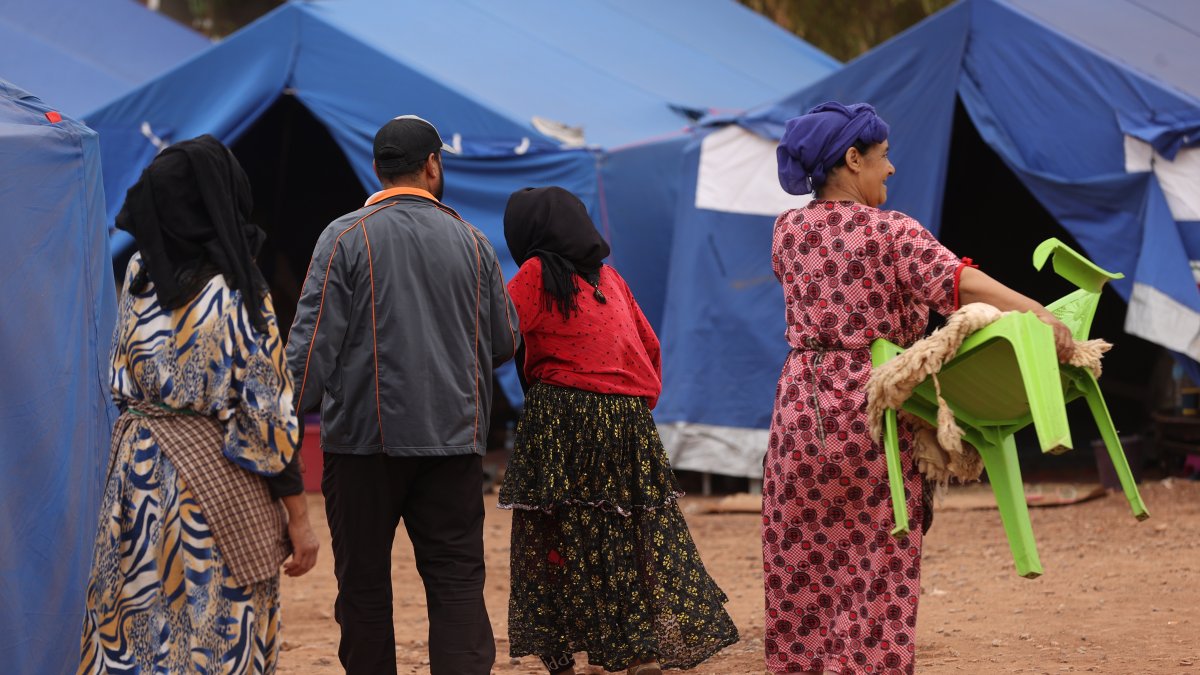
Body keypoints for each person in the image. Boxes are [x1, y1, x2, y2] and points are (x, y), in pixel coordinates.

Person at [764, 102, 1074, 675]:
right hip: (873, 406)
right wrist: (1040, 315)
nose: (892, 169)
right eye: (883, 157)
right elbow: (958, 283)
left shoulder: (787, 232)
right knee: (877, 562)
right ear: (852, 160)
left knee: (801, 563)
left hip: (800, 413)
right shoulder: (893, 232)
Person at [78, 135, 319, 674]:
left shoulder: (139, 276)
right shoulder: (235, 287)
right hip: (210, 481)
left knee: (138, 628)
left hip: (132, 483)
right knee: (216, 629)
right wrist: (298, 519)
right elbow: (266, 416)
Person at [286, 115, 518, 674]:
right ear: (432, 164)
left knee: (363, 588)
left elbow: (311, 348)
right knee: (457, 583)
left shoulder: (343, 236)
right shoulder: (472, 240)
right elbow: (505, 339)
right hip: (454, 441)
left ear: (376, 168)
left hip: (363, 445)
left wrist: (281, 422)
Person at [499, 186, 740, 675]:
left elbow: (497, 335)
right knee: (630, 536)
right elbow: (648, 347)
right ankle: (638, 650)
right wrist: (630, 410)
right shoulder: (610, 277)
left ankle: (565, 656)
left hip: (563, 419)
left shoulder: (534, 274)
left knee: (559, 534)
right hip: (629, 420)